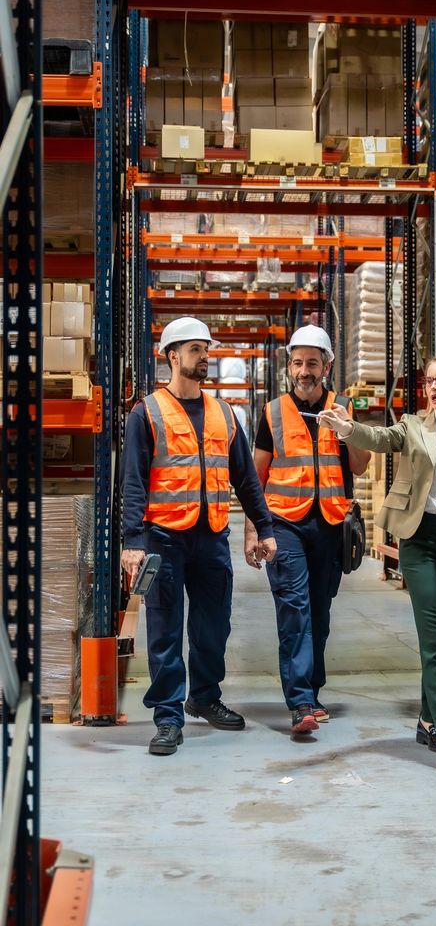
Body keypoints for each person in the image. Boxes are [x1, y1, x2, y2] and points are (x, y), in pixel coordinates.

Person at [319, 355, 436, 772]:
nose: (433, 388)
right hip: (420, 539)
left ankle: (425, 718)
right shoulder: (413, 426)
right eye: (428, 382)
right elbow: (380, 438)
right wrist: (348, 429)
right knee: (435, 635)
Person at [121, 317, 277, 756]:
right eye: (195, 349)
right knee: (165, 631)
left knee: (215, 626)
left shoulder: (225, 413)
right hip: (162, 538)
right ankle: (168, 716)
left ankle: (204, 697)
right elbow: (132, 483)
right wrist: (133, 542)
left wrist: (264, 527)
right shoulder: (147, 412)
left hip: (210, 537)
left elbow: (246, 479)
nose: (205, 356)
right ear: (172, 355)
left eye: (206, 349)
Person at [243, 325, 370, 736]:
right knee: (295, 608)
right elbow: (254, 478)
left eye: (312, 363)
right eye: (297, 363)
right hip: (284, 524)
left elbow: (360, 467)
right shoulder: (273, 411)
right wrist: (252, 531)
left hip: (331, 524)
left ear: (327, 366)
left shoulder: (343, 407)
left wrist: (347, 428)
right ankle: (300, 702)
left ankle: (312, 691)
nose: (303, 371)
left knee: (319, 611)